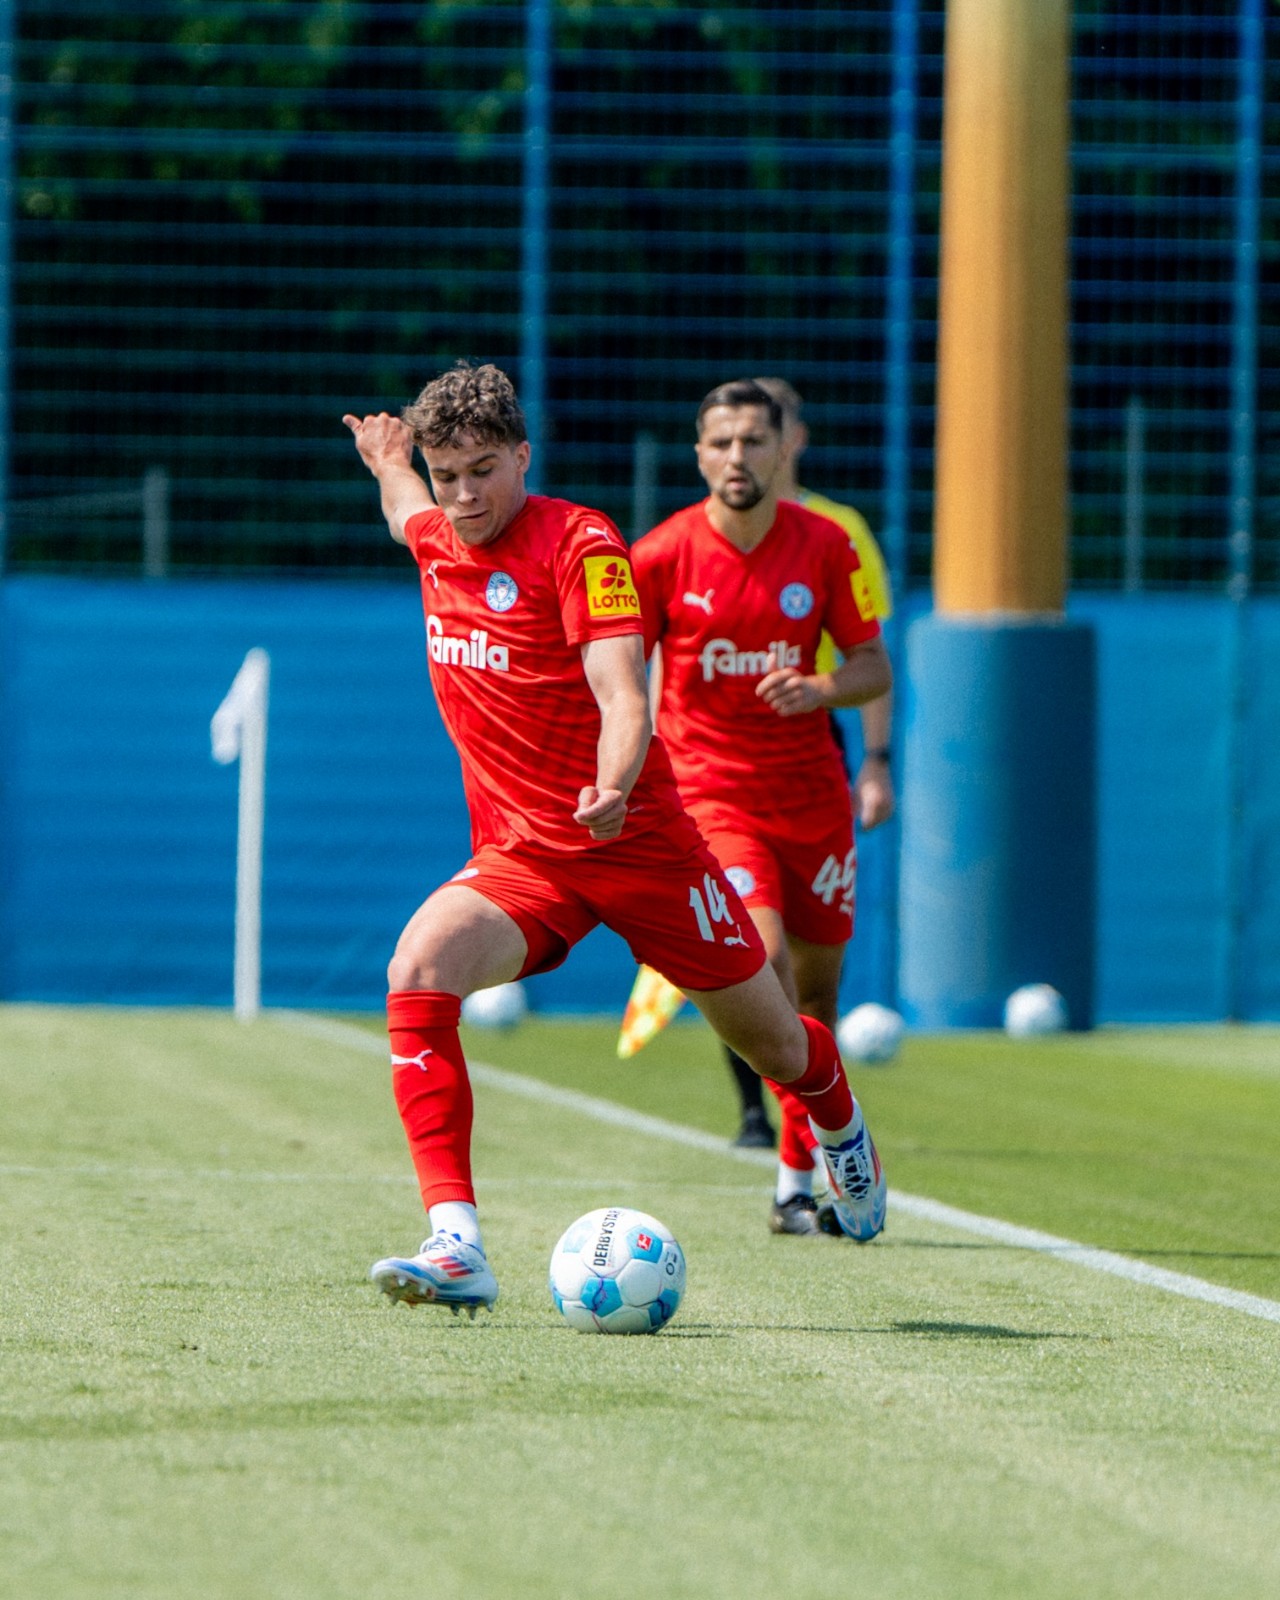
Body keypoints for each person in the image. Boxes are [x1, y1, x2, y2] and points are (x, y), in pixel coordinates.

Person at [343, 361, 888, 1316]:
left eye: (483, 470)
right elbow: (403, 508)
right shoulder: (434, 531)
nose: (464, 496)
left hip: (640, 844)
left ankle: (836, 1120)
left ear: (522, 456)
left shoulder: (582, 543)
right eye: (446, 475)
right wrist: (390, 460)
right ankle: (457, 1243)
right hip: (525, 858)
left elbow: (625, 692)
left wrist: (615, 778)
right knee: (418, 968)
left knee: (775, 1044)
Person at [631, 379, 892, 1236]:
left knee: (815, 1000)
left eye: (753, 441)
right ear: (699, 454)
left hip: (812, 804)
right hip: (712, 796)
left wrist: (819, 688)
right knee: (766, 964)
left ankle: (794, 1182)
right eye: (721, 442)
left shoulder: (825, 544)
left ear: (784, 449)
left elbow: (872, 667)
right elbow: (614, 666)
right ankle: (837, 1141)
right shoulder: (662, 555)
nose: (737, 457)